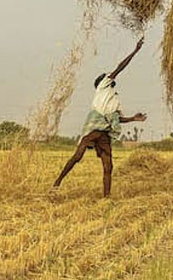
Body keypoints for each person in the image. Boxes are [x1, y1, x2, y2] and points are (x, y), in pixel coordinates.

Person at [52, 38, 148, 197]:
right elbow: (120, 67)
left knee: (108, 166)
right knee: (77, 156)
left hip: (105, 133)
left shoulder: (114, 98)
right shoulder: (103, 85)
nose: (110, 75)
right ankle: (57, 182)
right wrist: (135, 51)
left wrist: (133, 118)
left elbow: (117, 119)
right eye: (107, 75)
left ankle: (106, 197)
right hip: (93, 128)